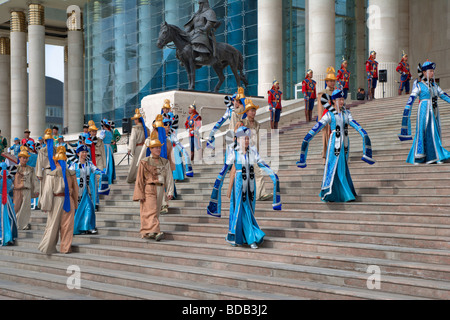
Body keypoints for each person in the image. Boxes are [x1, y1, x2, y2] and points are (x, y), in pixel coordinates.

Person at [207, 126, 281, 249]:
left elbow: (262, 164)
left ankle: (241, 237)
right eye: (244, 138)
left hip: (251, 184)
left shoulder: (252, 151)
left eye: (248, 138)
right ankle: (252, 238)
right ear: (237, 139)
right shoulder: (234, 152)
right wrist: (218, 185)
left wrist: (273, 176)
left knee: (249, 210)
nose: (246, 141)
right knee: (243, 210)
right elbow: (224, 170)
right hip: (239, 184)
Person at [297, 89, 375, 202]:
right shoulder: (329, 114)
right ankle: (344, 194)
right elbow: (318, 126)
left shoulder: (346, 113)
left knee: (342, 166)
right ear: (333, 100)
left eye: (343, 99)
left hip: (345, 143)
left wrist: (363, 133)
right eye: (339, 99)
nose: (342, 102)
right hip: (334, 143)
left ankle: (341, 193)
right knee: (335, 166)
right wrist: (307, 138)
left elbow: (353, 123)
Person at [399, 60, 450, 165]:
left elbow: (444, 95)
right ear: (424, 72)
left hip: (434, 112)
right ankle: (421, 157)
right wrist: (407, 109)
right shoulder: (419, 85)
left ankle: (434, 156)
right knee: (422, 132)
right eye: (430, 71)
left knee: (433, 133)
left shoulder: (434, 86)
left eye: (433, 71)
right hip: (423, 111)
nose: (432, 73)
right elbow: (411, 99)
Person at [38, 146, 78, 254]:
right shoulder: (71, 173)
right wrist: (75, 202)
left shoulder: (52, 174)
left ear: (56, 162)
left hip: (57, 200)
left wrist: (46, 206)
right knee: (67, 226)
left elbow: (47, 192)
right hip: (68, 200)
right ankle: (65, 248)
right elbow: (75, 190)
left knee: (53, 224)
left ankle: (49, 247)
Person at [133, 137, 174, 241]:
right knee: (150, 210)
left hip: (160, 188)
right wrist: (139, 194)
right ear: (150, 149)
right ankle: (157, 231)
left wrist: (169, 191)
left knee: (156, 211)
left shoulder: (165, 162)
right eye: (155, 148)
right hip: (149, 188)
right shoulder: (144, 162)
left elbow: (169, 177)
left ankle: (150, 232)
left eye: (159, 148)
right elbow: (139, 179)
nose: (158, 150)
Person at [241, 99, 273, 202]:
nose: (253, 112)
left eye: (254, 110)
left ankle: (260, 194)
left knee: (258, 173)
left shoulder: (257, 124)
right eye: (251, 110)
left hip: (253, 153)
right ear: (246, 112)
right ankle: (247, 195)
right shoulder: (242, 123)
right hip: (244, 153)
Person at [69, 144, 104, 235]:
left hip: (86, 190)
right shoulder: (74, 165)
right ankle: (79, 228)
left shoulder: (89, 163)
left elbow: (95, 170)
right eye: (82, 152)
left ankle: (89, 227)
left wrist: (102, 172)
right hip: (77, 190)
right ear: (78, 153)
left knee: (89, 207)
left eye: (85, 152)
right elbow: (68, 175)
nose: (84, 154)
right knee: (78, 209)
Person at [184, 0, 221, 64]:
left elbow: (210, 22)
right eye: (199, 4)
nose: (200, 5)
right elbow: (190, 24)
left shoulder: (210, 12)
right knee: (184, 39)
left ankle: (203, 55)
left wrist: (205, 28)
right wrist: (187, 30)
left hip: (204, 31)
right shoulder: (196, 14)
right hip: (195, 31)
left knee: (199, 37)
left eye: (201, 3)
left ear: (205, 3)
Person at [13, 147, 39, 230]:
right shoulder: (15, 168)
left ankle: (23, 224)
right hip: (17, 191)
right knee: (16, 207)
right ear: (19, 158)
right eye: (23, 158)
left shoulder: (30, 169)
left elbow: (34, 180)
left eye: (26, 158)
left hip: (27, 190)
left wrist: (37, 190)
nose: (25, 159)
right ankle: (15, 223)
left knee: (26, 208)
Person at [317, 67, 337, 165]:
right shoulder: (322, 93)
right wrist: (321, 120)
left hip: (336, 119)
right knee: (326, 138)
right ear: (327, 82)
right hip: (326, 119)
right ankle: (325, 157)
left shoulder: (337, 92)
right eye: (330, 81)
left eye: (334, 81)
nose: (332, 83)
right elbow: (320, 108)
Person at [127, 109, 151, 184]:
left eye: (135, 119)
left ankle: (131, 178)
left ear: (137, 120)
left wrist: (130, 149)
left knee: (134, 164)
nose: (134, 121)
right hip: (145, 148)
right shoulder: (146, 129)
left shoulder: (135, 128)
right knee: (144, 164)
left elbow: (133, 139)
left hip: (138, 148)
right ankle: (143, 178)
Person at [36, 129, 57, 211]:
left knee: (53, 189)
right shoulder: (42, 150)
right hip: (46, 171)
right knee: (45, 189)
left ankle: (51, 204)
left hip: (54, 171)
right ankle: (44, 205)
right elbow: (39, 163)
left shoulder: (55, 150)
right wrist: (39, 174)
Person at [0, 162, 18, 246]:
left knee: (2, 219)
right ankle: (9, 237)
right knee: (9, 217)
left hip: (1, 200)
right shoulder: (10, 180)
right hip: (7, 200)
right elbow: (11, 190)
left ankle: (2, 237)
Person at [99, 119, 116, 185]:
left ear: (103, 126)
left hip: (104, 148)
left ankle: (106, 179)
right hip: (110, 148)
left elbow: (100, 140)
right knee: (110, 163)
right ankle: (110, 179)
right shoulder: (110, 132)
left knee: (105, 163)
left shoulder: (103, 132)